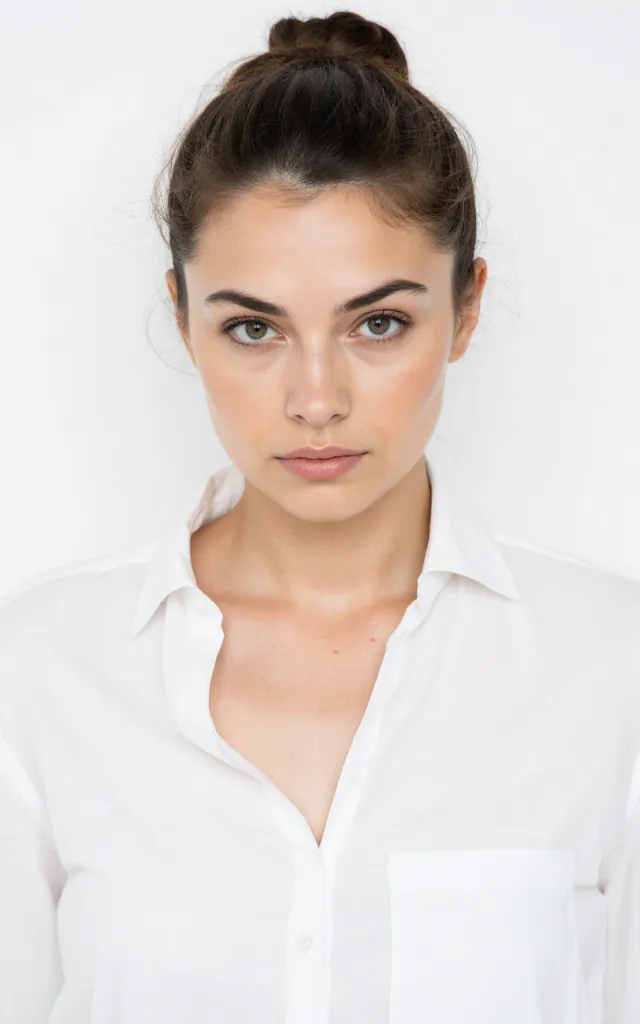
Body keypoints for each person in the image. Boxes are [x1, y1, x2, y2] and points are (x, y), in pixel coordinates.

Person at [0, 8, 639, 1023]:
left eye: (377, 323)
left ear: (466, 307)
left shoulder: (610, 667)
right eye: (252, 328)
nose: (314, 398)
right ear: (181, 316)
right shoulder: (40, 669)